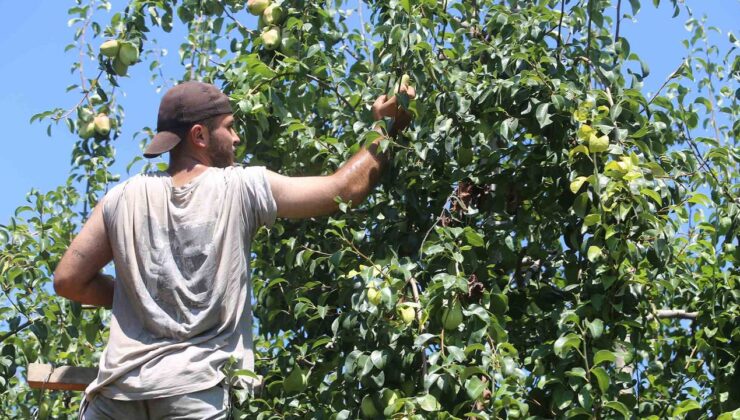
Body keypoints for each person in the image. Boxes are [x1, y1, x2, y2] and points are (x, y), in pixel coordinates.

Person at [52, 80, 415, 419]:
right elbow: (342, 191)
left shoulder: (121, 197)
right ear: (199, 135)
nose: (237, 137)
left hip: (116, 396)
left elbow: (68, 280)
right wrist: (386, 128)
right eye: (229, 126)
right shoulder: (241, 186)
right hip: (194, 390)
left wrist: (137, 298)